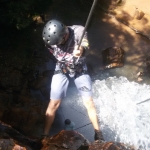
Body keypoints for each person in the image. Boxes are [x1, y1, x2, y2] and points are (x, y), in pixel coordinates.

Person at [42, 19, 104, 141]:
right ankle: (44, 135)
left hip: (79, 68)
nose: (58, 45)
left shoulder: (79, 31)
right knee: (53, 103)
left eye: (59, 43)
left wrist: (81, 50)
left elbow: (85, 45)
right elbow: (55, 52)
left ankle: (98, 133)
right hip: (62, 68)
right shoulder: (50, 42)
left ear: (64, 35)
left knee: (89, 102)